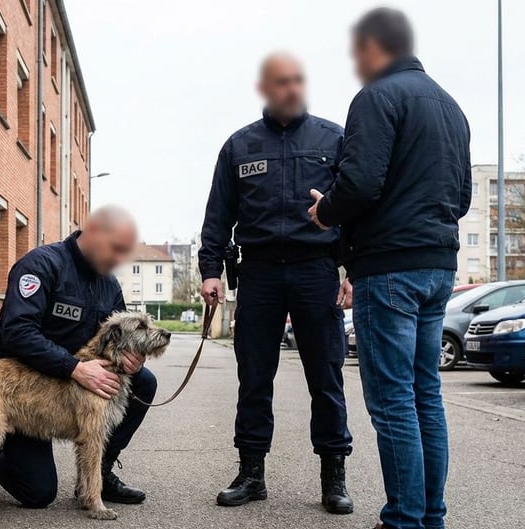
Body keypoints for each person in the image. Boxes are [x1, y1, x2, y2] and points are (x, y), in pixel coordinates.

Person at [307, 8, 471, 529]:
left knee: (393, 401)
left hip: (390, 268)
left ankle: (403, 519)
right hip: (438, 266)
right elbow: (463, 198)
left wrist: (325, 212)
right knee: (425, 396)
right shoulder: (451, 107)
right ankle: (430, 517)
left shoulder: (377, 96)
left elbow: (359, 183)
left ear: (376, 47)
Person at [199, 51, 355, 515]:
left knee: (326, 377)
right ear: (265, 89)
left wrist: (353, 271)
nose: (292, 89)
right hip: (260, 272)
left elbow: (355, 212)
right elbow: (218, 215)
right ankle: (251, 473)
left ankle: (333, 477)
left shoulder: (334, 139)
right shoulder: (240, 146)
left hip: (316, 270)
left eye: (298, 80)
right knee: (254, 377)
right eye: (282, 82)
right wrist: (210, 270)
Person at [0, 205, 156, 507]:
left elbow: (123, 338)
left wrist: (133, 358)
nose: (119, 260)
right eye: (116, 249)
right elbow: (18, 332)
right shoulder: (41, 265)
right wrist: (74, 367)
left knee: (144, 383)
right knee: (38, 494)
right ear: (93, 232)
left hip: (73, 380)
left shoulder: (109, 284)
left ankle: (97, 475)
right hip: (23, 386)